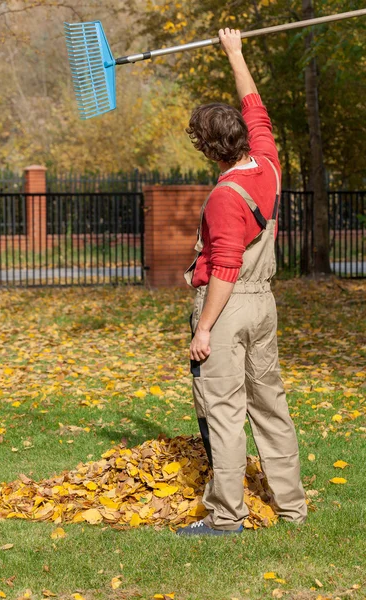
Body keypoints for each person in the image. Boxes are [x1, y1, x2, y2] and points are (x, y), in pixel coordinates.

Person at [176, 28, 307, 536]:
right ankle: (292, 506)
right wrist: (235, 51)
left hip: (228, 310)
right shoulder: (268, 163)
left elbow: (226, 269)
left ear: (209, 149)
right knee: (269, 402)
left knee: (225, 411)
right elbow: (257, 107)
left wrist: (204, 328)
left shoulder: (225, 197)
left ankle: (228, 516)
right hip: (265, 305)